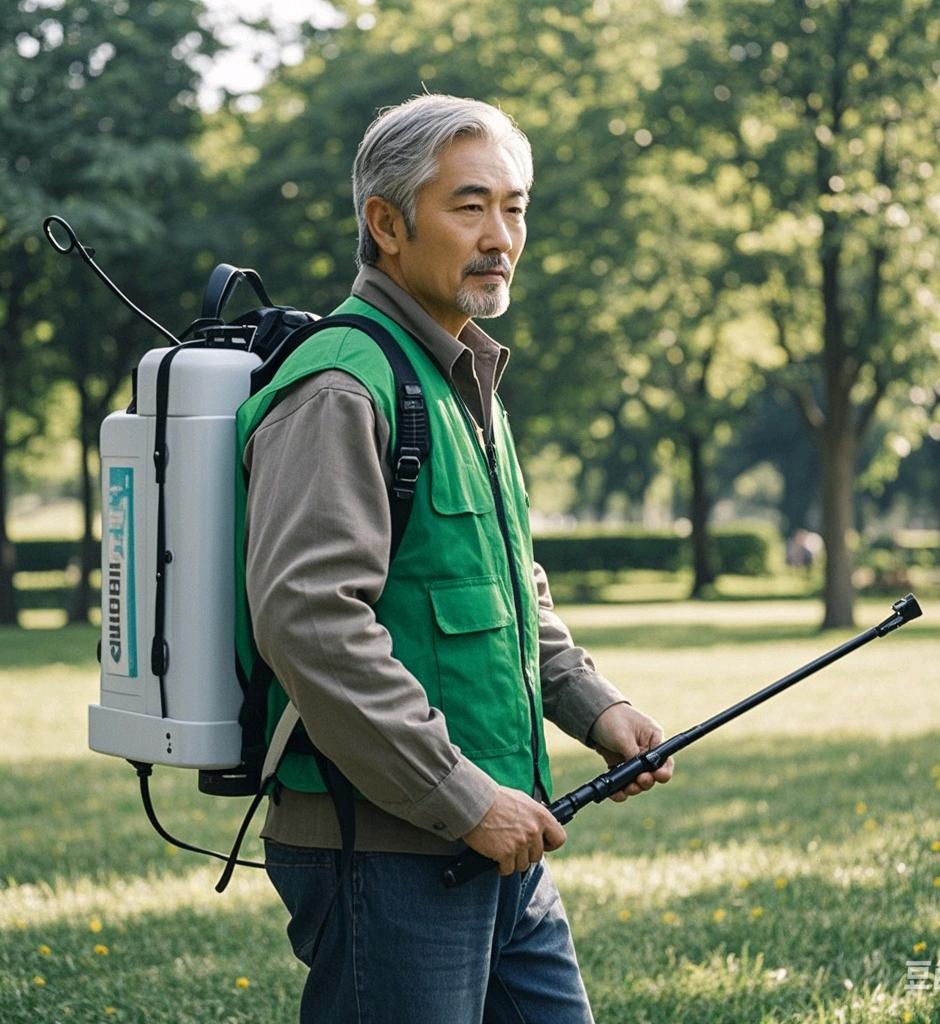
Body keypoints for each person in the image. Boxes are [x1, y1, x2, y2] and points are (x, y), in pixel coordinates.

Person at [239, 94, 673, 1024]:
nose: (500, 237)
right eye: (469, 207)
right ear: (386, 224)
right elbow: (310, 622)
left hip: (500, 833)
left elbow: (509, 589)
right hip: (387, 848)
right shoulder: (341, 385)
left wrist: (597, 708)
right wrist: (463, 798)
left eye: (514, 208)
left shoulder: (463, 379)